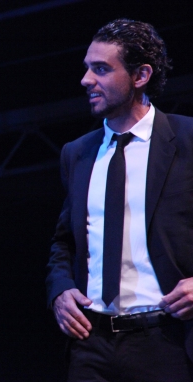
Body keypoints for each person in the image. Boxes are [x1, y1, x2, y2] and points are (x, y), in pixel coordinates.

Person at [46, 19, 193, 381]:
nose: (85, 80)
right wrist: (61, 290)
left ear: (141, 75)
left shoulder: (188, 139)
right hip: (90, 345)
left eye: (101, 69)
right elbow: (63, 242)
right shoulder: (77, 153)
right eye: (87, 68)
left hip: (168, 340)